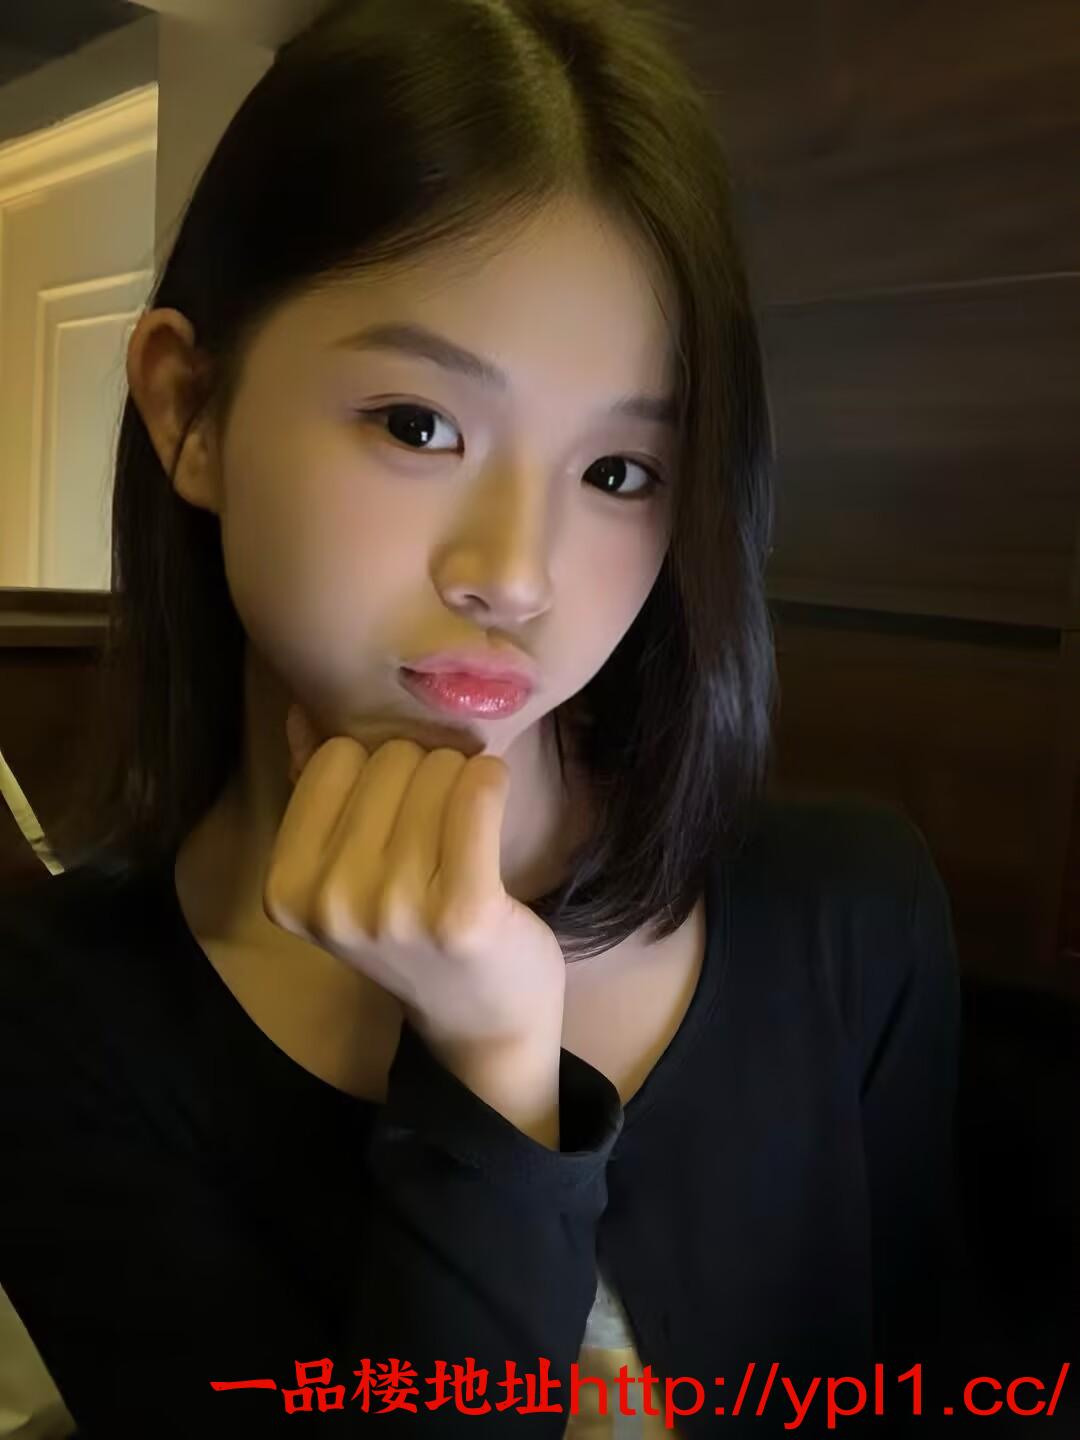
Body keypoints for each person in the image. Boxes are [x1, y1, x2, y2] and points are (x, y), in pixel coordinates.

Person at [0, 0, 965, 1434]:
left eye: (622, 473)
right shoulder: (61, 1025)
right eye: (419, 425)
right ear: (189, 408)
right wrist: (493, 1081)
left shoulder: (849, 915)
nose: (515, 575)